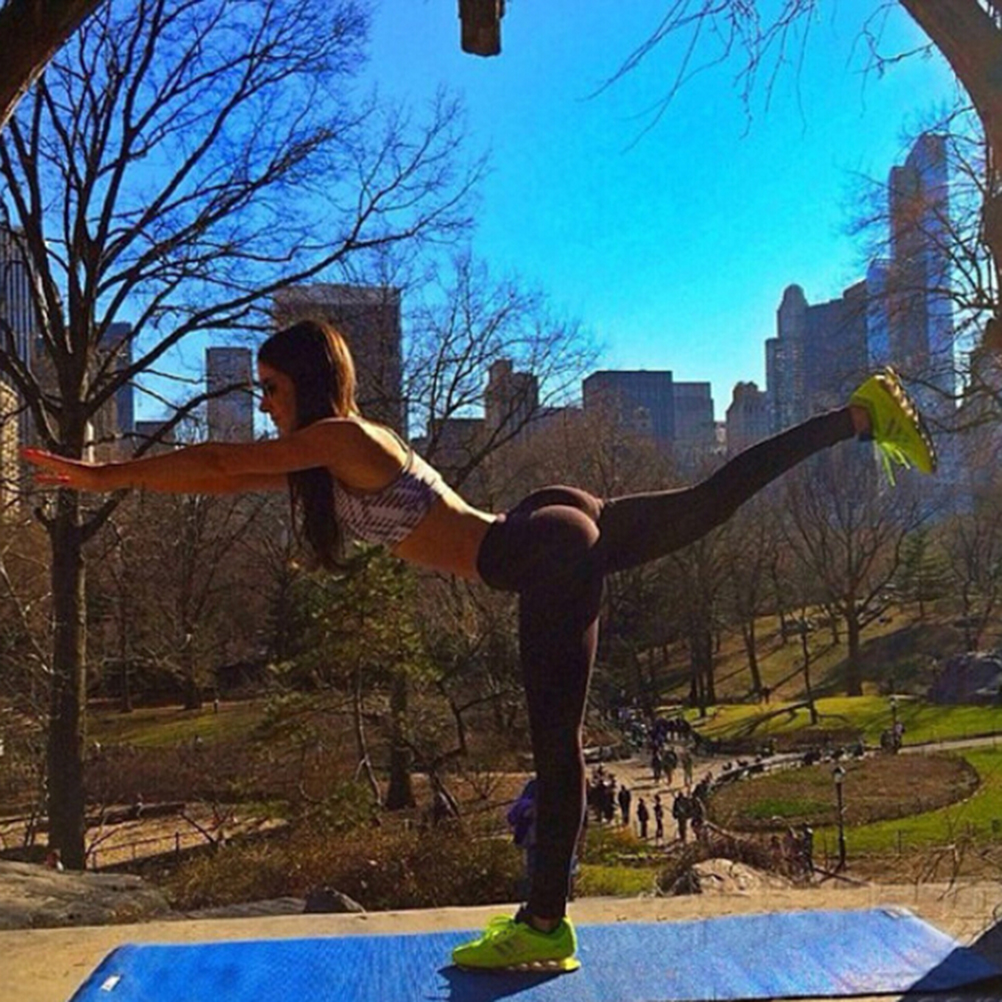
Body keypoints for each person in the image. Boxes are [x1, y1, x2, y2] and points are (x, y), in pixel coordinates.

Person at [21, 319, 936, 973]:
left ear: (304, 382)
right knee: (705, 505)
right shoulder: (333, 449)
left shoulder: (340, 436)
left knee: (558, 746)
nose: (264, 407)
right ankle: (856, 419)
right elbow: (232, 478)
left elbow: (221, 464)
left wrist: (105, 475)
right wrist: (122, 476)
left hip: (536, 552)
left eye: (271, 390)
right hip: (543, 523)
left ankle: (545, 925)